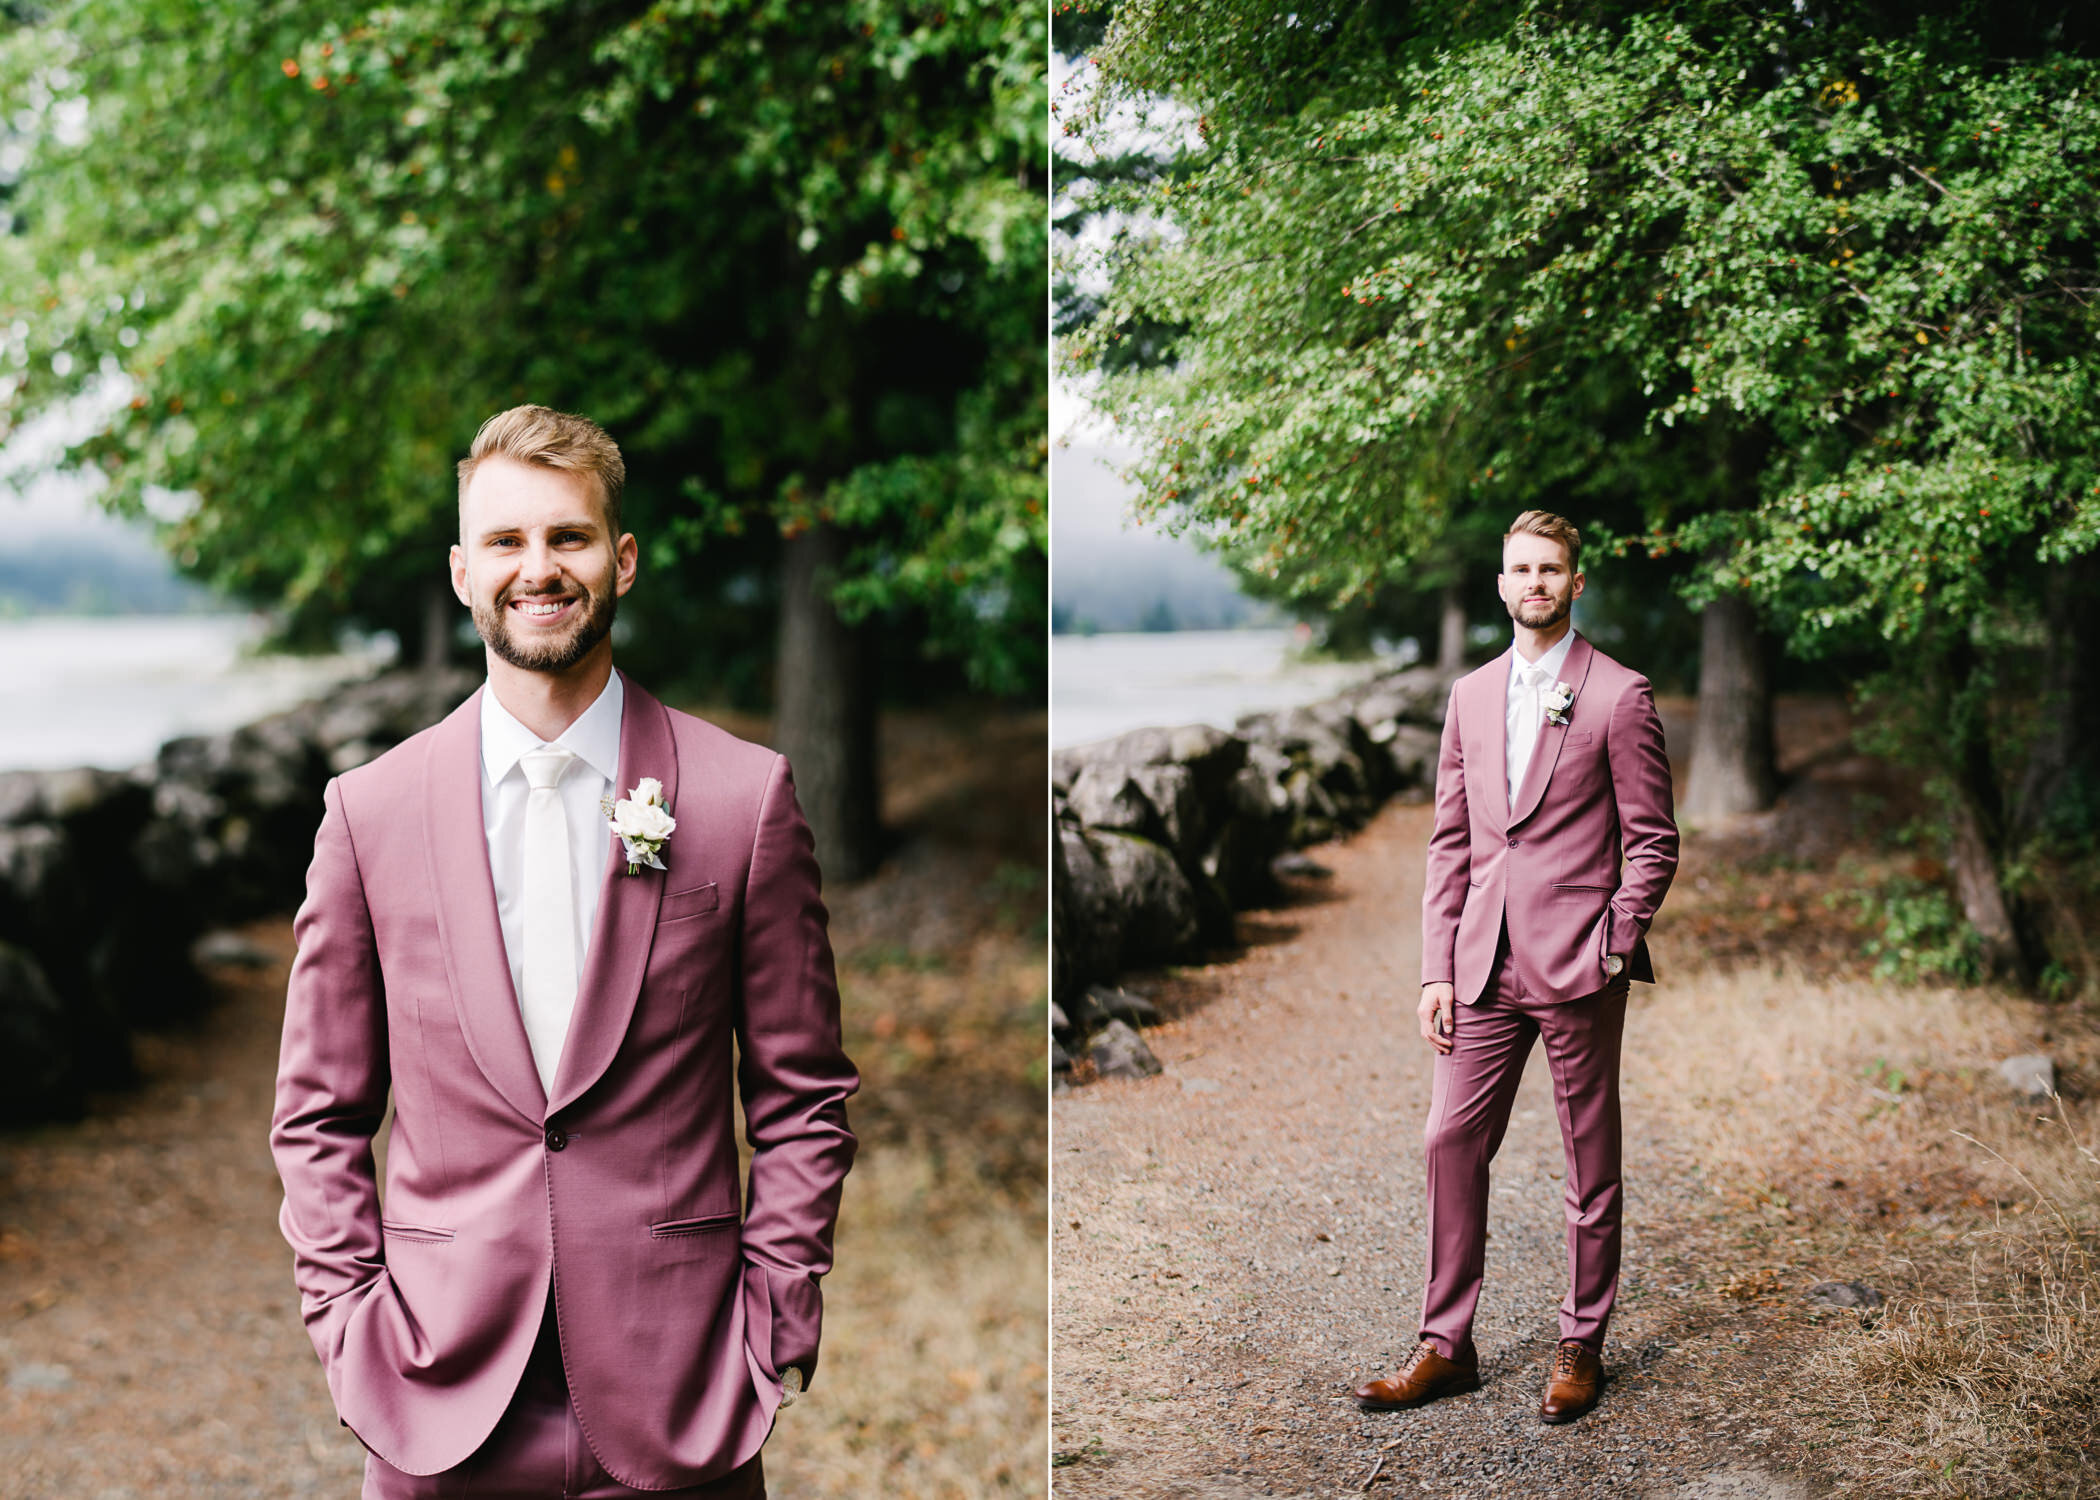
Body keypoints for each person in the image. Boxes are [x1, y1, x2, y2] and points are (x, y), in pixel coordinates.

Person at [270, 405, 858, 1497]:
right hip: (438, 1395)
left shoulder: (743, 800)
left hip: (682, 1395)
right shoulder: (368, 814)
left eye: (569, 538)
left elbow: (802, 1094)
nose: (538, 569)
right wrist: (349, 1322)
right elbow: (318, 1113)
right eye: (505, 541)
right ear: (461, 571)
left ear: (622, 560)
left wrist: (775, 1316)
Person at [1351, 509, 1677, 1425]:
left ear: (1576, 584)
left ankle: (1581, 1342)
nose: (1534, 581)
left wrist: (1614, 942)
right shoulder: (1468, 695)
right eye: (1519, 568)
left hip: (1579, 965)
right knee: (1449, 1140)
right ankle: (1446, 1344)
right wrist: (1434, 970)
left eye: (1551, 569)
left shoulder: (1620, 695)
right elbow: (1451, 840)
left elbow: (1653, 841)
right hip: (1482, 963)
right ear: (1501, 583)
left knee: (1589, 1159)